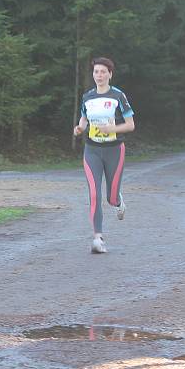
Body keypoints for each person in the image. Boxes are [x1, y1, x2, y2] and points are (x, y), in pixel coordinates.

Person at [73, 57, 135, 254]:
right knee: (94, 194)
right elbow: (83, 119)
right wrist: (79, 128)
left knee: (110, 197)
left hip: (114, 150)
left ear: (110, 74)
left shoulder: (118, 96)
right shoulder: (87, 97)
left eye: (102, 72)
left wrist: (112, 129)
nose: (98, 75)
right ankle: (98, 238)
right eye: (96, 72)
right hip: (92, 150)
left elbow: (131, 125)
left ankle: (118, 201)